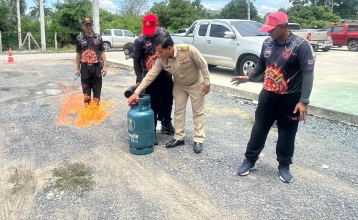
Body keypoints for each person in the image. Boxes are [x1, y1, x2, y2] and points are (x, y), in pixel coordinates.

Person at [231, 11, 314, 183]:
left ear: (283, 27)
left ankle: (284, 165)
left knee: (287, 133)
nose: (268, 32)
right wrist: (250, 76)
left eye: (271, 29)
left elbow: (308, 74)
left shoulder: (301, 46)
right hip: (267, 95)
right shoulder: (267, 43)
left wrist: (304, 101)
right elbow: (262, 63)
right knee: (259, 128)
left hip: (290, 99)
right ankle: (250, 160)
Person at [128, 35, 211, 154]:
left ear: (170, 48)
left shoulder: (189, 50)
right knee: (179, 111)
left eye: (160, 51)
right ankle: (179, 137)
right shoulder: (161, 58)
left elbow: (203, 64)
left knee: (198, 111)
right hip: (180, 85)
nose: (158, 54)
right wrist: (136, 92)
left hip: (196, 83)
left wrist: (207, 83)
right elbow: (151, 75)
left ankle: (198, 139)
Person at [133, 14, 175, 145]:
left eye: (152, 30)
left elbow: (171, 51)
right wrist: (140, 78)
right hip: (148, 75)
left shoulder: (164, 34)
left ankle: (166, 125)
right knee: (153, 104)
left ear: (157, 24)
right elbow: (136, 60)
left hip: (165, 73)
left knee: (168, 100)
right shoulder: (140, 39)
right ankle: (151, 131)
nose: (149, 34)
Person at [75, 17, 107, 104]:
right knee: (86, 89)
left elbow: (102, 52)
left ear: (93, 25)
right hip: (85, 67)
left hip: (96, 67)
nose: (88, 27)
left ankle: (96, 108)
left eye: (90, 25)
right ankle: (87, 108)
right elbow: (78, 54)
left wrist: (104, 66)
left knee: (97, 89)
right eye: (86, 25)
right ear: (83, 26)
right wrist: (78, 69)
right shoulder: (79, 38)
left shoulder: (98, 37)